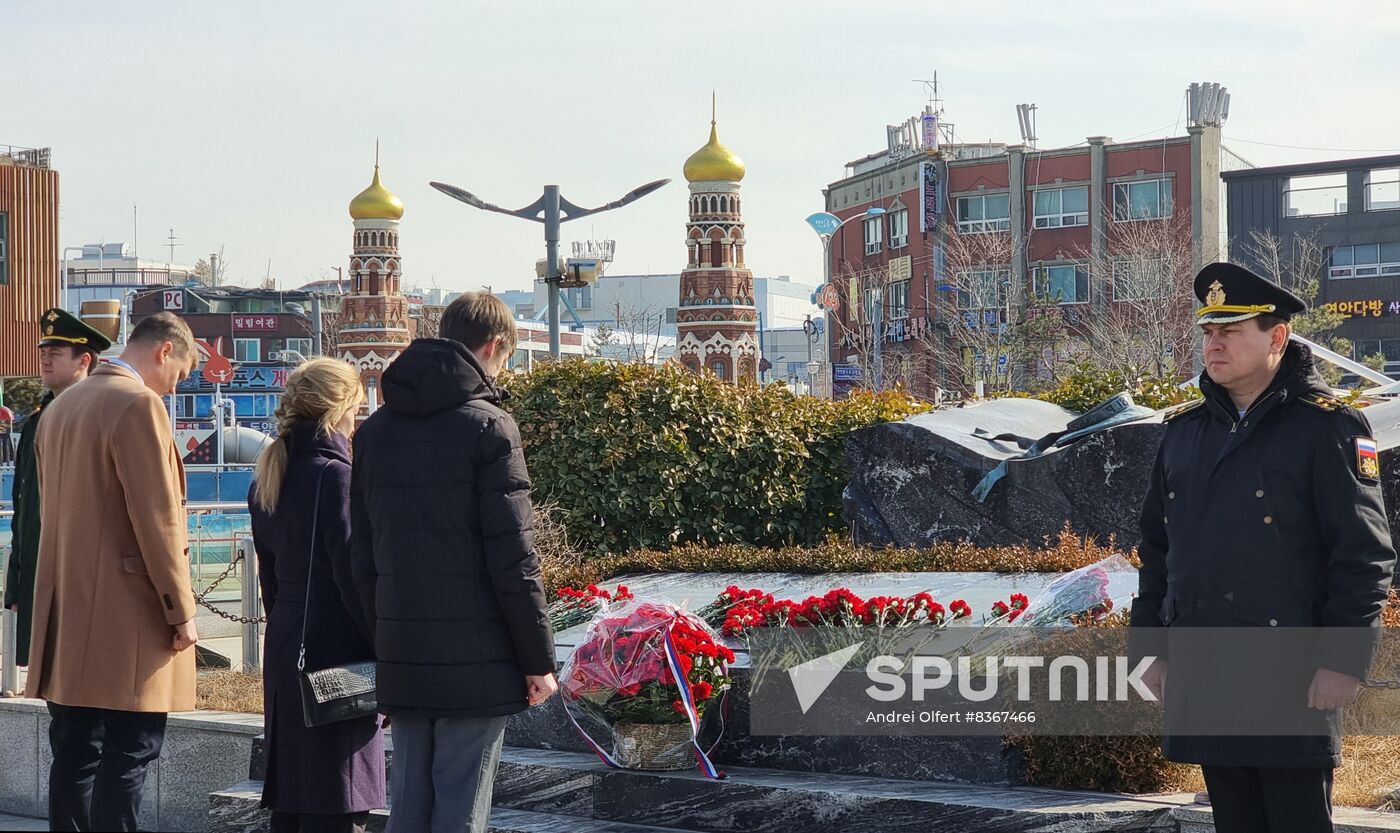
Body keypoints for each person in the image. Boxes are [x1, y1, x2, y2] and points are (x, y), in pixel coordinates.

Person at [1131, 262, 1396, 833]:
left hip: (1291, 672)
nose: (1214, 343)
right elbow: (1158, 551)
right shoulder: (1183, 432)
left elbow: (1364, 555)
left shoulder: (1326, 426)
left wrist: (1341, 660)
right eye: (1208, 331)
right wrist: (1151, 646)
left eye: (1231, 330)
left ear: (1277, 336)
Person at [351, 292, 557, 833]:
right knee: (462, 808)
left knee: (409, 805)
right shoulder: (489, 427)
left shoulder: (373, 433)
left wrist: (385, 646)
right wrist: (538, 660)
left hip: (403, 651)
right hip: (478, 657)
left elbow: (362, 559)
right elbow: (514, 559)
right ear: (494, 347)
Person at [26, 311, 201, 832]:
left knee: (76, 751)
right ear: (165, 351)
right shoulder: (138, 404)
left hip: (68, 610)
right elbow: (159, 519)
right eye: (180, 374)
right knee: (131, 751)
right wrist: (180, 609)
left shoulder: (61, 407)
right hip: (129, 615)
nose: (173, 388)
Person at [249, 357, 385, 833]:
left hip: (288, 644)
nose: (357, 419)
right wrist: (384, 652)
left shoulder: (269, 474)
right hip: (337, 654)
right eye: (355, 407)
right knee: (339, 799)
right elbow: (355, 580)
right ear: (339, 408)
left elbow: (270, 580)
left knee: (294, 801)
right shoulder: (336, 476)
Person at [4, 309, 112, 669]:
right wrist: (17, 578)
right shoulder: (37, 421)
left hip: (84, 574)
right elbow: (24, 505)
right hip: (40, 568)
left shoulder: (101, 415)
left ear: (84, 360)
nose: (45, 359)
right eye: (43, 352)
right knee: (53, 683)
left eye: (56, 353)